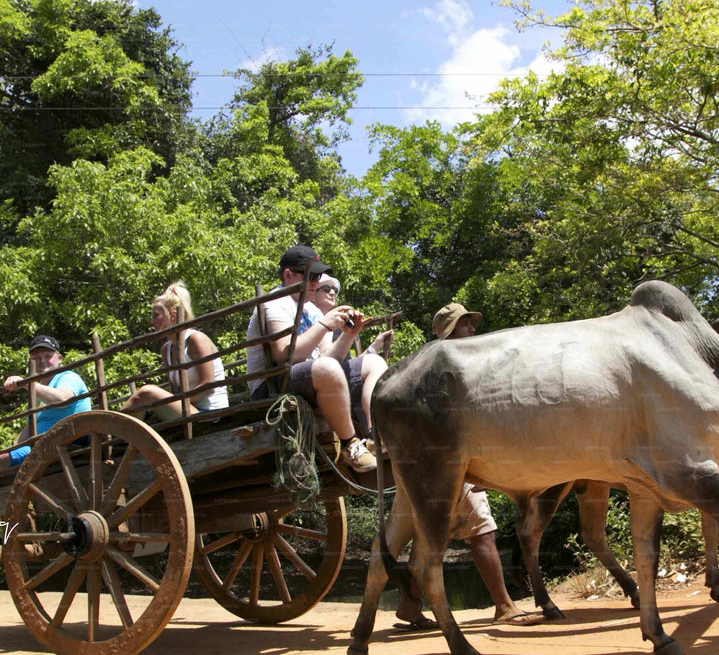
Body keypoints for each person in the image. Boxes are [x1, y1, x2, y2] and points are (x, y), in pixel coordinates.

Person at [393, 301, 533, 628]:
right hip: (451, 461)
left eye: (471, 323)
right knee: (482, 530)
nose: (472, 329)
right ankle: (504, 605)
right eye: (465, 324)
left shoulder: (446, 365)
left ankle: (411, 604)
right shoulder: (445, 366)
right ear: (450, 332)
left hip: (450, 460)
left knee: (434, 539)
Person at [244, 246, 384, 473]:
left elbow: (329, 358)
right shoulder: (274, 303)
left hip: (311, 378)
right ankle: (351, 445)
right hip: (272, 385)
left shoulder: (311, 309)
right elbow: (284, 355)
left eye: (318, 276)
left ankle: (374, 439)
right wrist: (325, 324)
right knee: (327, 368)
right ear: (288, 275)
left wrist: (349, 335)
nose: (315, 282)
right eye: (310, 276)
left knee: (374, 363)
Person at [0, 335, 92, 475]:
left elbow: (62, 399)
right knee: (4, 456)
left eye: (48, 356)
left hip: (65, 441)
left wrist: (28, 384)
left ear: (59, 359)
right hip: (44, 445)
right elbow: (31, 428)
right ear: (30, 361)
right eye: (36, 357)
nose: (42, 361)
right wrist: (15, 447)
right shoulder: (38, 391)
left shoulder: (68, 376)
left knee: (3, 460)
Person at [121, 281, 229, 420]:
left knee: (146, 393)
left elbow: (208, 387)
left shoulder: (196, 339)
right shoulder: (166, 349)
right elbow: (176, 392)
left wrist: (167, 402)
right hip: (188, 411)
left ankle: (109, 429)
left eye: (156, 315)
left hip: (210, 413)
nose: (151, 322)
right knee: (147, 400)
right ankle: (117, 434)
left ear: (172, 315)